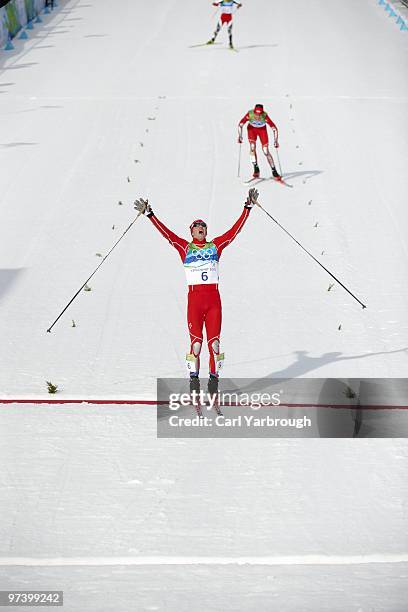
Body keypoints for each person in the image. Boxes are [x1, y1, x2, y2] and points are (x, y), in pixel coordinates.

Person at [134, 188, 258, 387]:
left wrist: (247, 208)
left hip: (213, 300)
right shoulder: (185, 247)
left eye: (204, 226)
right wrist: (150, 215)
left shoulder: (215, 246)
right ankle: (193, 380)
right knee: (197, 344)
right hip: (195, 301)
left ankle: (213, 380)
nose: (201, 228)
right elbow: (168, 235)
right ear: (191, 231)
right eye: (197, 226)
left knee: (215, 345)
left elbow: (234, 232)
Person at [238, 103, 280, 179]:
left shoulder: (265, 116)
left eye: (259, 114)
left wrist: (276, 141)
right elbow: (241, 124)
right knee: (252, 147)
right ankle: (256, 169)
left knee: (265, 151)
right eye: (256, 114)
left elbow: (274, 128)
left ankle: (274, 170)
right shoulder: (250, 114)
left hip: (262, 131)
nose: (257, 116)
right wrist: (240, 136)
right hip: (252, 130)